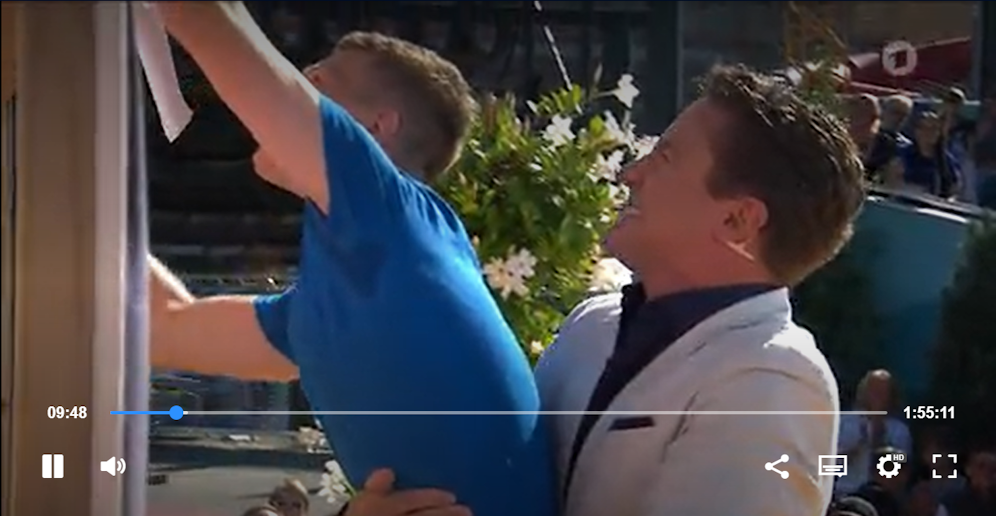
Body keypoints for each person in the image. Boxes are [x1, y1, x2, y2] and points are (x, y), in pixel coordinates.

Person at [350, 65, 862, 515]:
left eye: (664, 158)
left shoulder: (773, 380)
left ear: (737, 221)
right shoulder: (593, 324)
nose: (629, 173)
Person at [150, 4, 555, 516]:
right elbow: (161, 327)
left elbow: (203, 15)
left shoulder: (396, 219)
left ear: (376, 129)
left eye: (317, 80)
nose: (294, 82)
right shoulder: (349, 291)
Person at [836, 370, 913, 496]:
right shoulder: (844, 421)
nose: (877, 396)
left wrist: (879, 439)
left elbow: (901, 470)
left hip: (882, 495)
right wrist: (856, 446)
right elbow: (828, 464)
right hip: (846, 491)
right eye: (873, 390)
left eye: (883, 392)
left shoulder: (900, 430)